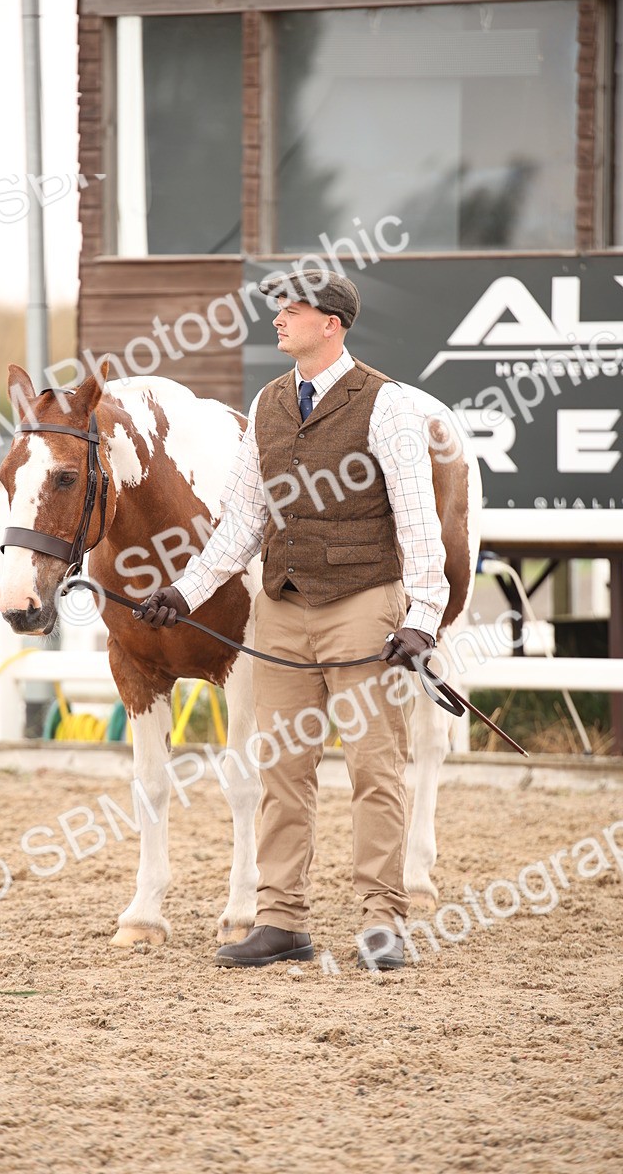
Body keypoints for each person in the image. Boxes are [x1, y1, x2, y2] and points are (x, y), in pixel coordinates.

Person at [134, 270, 449, 971]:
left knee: (373, 767)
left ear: (331, 324)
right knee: (278, 765)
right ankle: (281, 920)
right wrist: (184, 592)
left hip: (363, 603)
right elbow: (242, 519)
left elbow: (419, 518)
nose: (278, 320)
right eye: (279, 309)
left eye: (293, 311)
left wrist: (423, 616)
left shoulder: (387, 405)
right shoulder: (270, 401)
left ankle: (382, 921)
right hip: (279, 607)